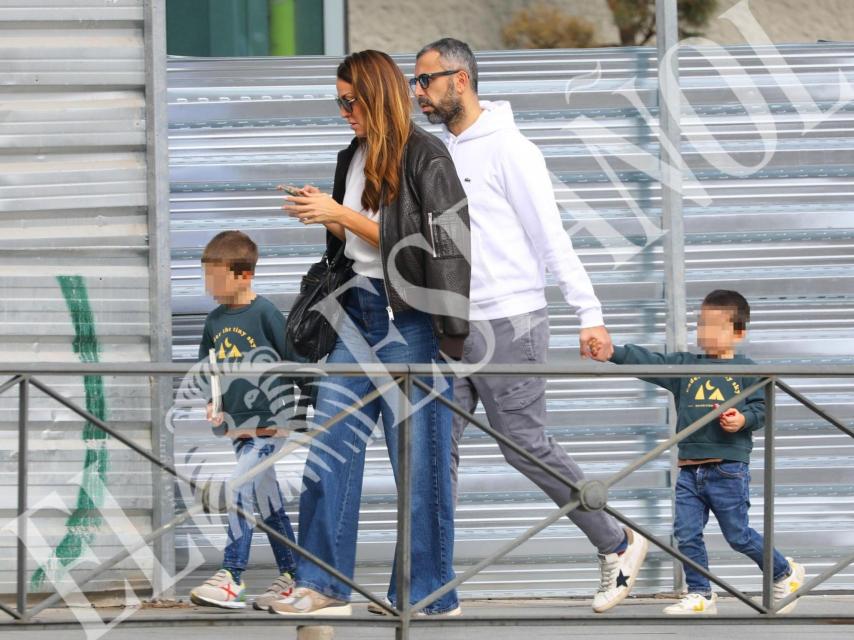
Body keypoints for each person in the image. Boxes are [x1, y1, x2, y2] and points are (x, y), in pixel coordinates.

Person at [412, 37, 648, 613]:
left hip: (511, 320)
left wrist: (588, 313)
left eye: (426, 80)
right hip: (453, 325)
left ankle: (618, 542)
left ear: (460, 79)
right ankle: (431, 589)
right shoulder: (438, 152)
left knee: (524, 445)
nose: (417, 91)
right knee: (431, 451)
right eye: (413, 82)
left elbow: (551, 237)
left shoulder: (512, 149)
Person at [271, 49, 470, 617]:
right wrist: (324, 214)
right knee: (328, 451)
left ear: (377, 96)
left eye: (349, 101)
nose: (343, 113)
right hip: (356, 314)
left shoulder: (427, 156)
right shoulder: (352, 156)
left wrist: (341, 213)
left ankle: (428, 595)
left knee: (419, 466)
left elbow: (433, 248)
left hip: (409, 321)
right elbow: (359, 245)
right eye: (338, 102)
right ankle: (323, 585)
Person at [595, 290, 806, 615]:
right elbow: (650, 362)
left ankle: (784, 573)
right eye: (701, 324)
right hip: (690, 470)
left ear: (738, 332)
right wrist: (613, 352)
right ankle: (701, 595)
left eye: (715, 326)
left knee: (738, 535)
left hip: (728, 469)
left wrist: (743, 419)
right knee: (686, 533)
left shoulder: (748, 371)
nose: (705, 333)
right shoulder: (684, 367)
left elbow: (762, 409)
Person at [189, 230, 300, 611]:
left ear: (244, 275)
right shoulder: (214, 321)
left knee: (238, 487)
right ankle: (293, 576)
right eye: (207, 278)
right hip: (237, 425)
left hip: (271, 422)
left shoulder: (266, 312)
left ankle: (232, 577)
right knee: (268, 504)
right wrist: (210, 400)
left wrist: (307, 406)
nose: (210, 287)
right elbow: (208, 367)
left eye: (216, 278)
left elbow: (294, 359)